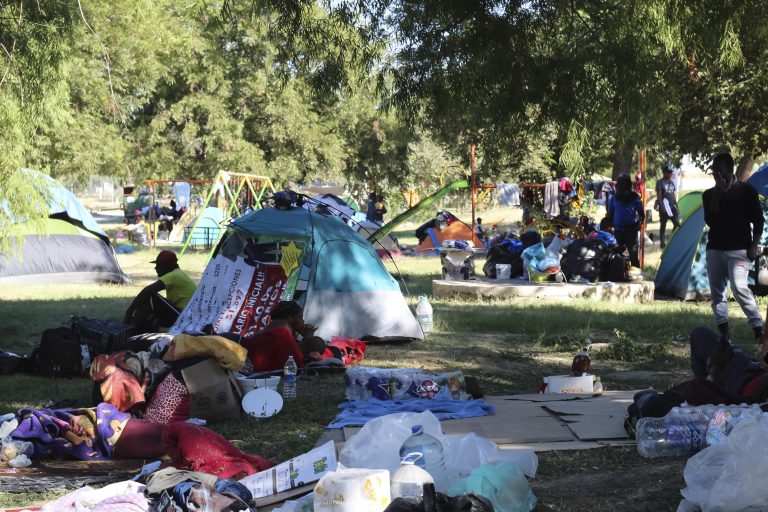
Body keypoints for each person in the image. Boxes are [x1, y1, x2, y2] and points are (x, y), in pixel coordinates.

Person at [703, 152, 764, 342]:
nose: (716, 174)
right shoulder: (709, 195)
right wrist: (718, 194)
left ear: (730, 170)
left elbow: (759, 220)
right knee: (717, 293)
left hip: (739, 249)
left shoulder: (747, 191)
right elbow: (711, 221)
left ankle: (758, 328)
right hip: (715, 248)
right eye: (714, 171)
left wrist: (754, 244)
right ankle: (724, 334)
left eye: (720, 170)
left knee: (739, 287)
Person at [124, 250, 197, 332]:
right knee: (151, 312)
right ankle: (134, 330)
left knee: (152, 297)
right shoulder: (177, 273)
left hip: (184, 318)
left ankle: (129, 330)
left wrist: (129, 311)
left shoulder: (174, 275)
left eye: (158, 265)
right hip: (185, 316)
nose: (155, 268)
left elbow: (148, 290)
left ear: (167, 266)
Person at [240, 301, 317, 372]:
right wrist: (309, 338)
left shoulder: (262, 333)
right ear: (289, 319)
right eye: (300, 317)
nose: (303, 321)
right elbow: (298, 367)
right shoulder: (284, 337)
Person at [607, 174, 645, 267]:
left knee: (633, 256)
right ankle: (617, 274)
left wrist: (639, 225)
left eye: (625, 183)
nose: (623, 185)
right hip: (617, 231)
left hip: (631, 231)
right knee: (616, 254)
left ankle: (636, 275)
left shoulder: (635, 197)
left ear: (629, 185)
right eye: (621, 183)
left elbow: (641, 214)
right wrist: (610, 226)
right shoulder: (614, 198)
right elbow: (610, 214)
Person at [655, 166, 680, 248]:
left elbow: (673, 195)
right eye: (668, 172)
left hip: (672, 208)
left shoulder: (672, 183)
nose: (670, 174)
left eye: (670, 172)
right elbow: (659, 196)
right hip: (664, 207)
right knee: (663, 225)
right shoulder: (660, 183)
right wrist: (662, 207)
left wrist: (677, 206)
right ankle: (662, 243)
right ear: (664, 172)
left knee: (677, 224)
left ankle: (671, 240)